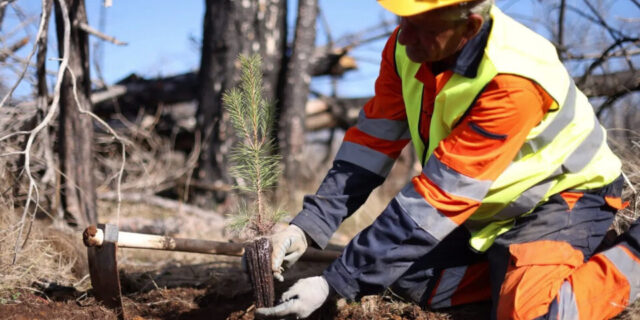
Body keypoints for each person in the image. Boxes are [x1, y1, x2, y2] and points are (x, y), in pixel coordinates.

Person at [255, 0, 640, 319]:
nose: (405, 37)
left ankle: (630, 253)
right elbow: (370, 145)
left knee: (528, 313)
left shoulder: (513, 80)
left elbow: (438, 199)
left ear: (469, 26)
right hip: (488, 210)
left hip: (565, 199)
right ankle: (512, 272)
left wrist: (334, 282)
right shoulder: (405, 48)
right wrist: (308, 226)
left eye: (422, 26)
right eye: (403, 20)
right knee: (402, 279)